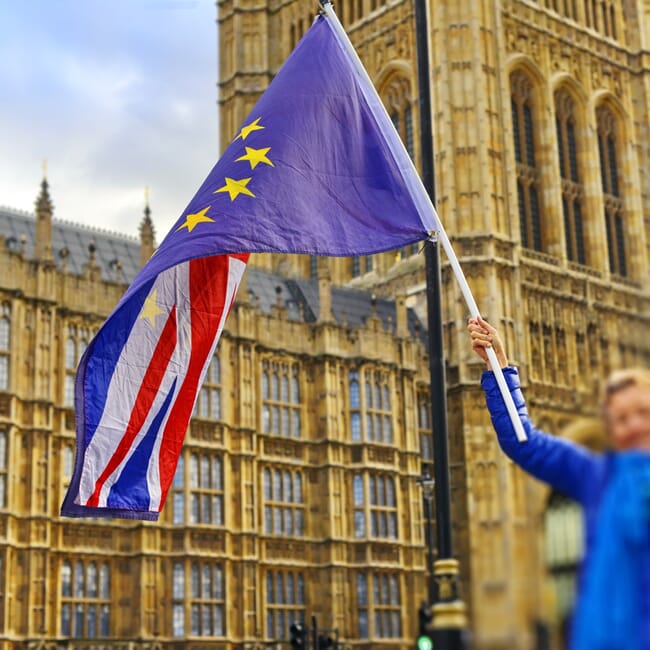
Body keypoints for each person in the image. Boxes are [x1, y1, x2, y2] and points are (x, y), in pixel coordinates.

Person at [467, 315, 650, 650]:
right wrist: (499, 363)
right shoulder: (598, 476)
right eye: (622, 418)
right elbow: (525, 443)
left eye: (643, 413)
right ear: (610, 427)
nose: (634, 425)